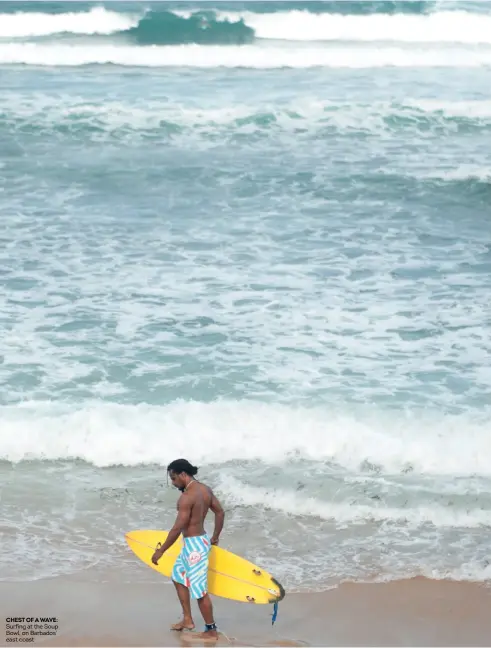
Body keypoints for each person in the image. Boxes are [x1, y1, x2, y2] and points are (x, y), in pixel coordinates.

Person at [151, 458, 225, 640]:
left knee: (199, 591)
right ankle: (187, 619)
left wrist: (161, 550)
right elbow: (220, 512)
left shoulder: (187, 497)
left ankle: (211, 629)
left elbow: (178, 527)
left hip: (194, 548)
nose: (173, 483)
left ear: (183, 474)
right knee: (177, 576)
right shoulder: (205, 489)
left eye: (174, 478)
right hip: (199, 541)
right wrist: (215, 536)